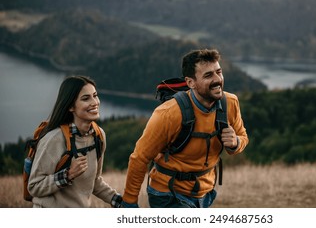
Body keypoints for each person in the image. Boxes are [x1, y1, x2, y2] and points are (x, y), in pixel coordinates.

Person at [121, 48, 249, 208]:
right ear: (190, 83)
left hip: (205, 193)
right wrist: (129, 202)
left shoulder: (230, 103)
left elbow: (243, 136)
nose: (217, 79)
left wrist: (235, 142)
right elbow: (140, 158)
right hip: (168, 194)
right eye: (208, 75)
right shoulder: (168, 114)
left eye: (219, 72)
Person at [27, 75, 122, 208]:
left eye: (95, 95)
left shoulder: (98, 136)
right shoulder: (54, 139)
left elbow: (94, 181)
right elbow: (34, 187)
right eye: (86, 98)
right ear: (71, 106)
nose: (95, 102)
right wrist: (68, 174)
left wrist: (121, 202)